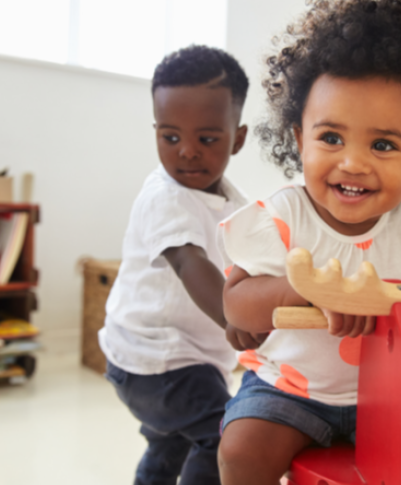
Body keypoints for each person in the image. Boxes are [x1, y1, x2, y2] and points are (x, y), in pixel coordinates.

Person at [216, 0, 401, 485]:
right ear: (298, 138)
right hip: (291, 392)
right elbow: (236, 304)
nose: (353, 162)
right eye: (331, 137)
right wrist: (301, 288)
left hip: (395, 391)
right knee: (242, 449)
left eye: (384, 144)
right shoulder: (283, 217)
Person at [99, 45, 262, 485]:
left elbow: (259, 254)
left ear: (239, 138)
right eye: (170, 137)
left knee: (170, 441)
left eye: (207, 139)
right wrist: (237, 319)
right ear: (155, 130)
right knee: (224, 437)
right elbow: (191, 264)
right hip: (154, 359)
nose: (187, 152)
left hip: (183, 357)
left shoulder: (233, 200)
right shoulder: (165, 199)